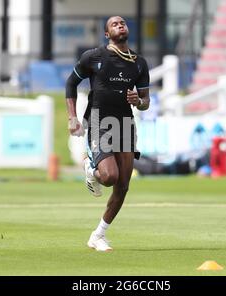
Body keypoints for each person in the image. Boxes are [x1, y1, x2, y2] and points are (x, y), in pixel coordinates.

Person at [65, 16, 150, 251]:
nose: (120, 25)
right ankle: (91, 169)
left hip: (125, 123)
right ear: (106, 34)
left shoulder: (139, 63)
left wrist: (139, 101)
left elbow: (145, 102)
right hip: (100, 121)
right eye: (114, 24)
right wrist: (72, 118)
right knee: (110, 177)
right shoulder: (94, 57)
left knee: (122, 186)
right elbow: (71, 84)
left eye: (122, 22)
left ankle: (98, 235)